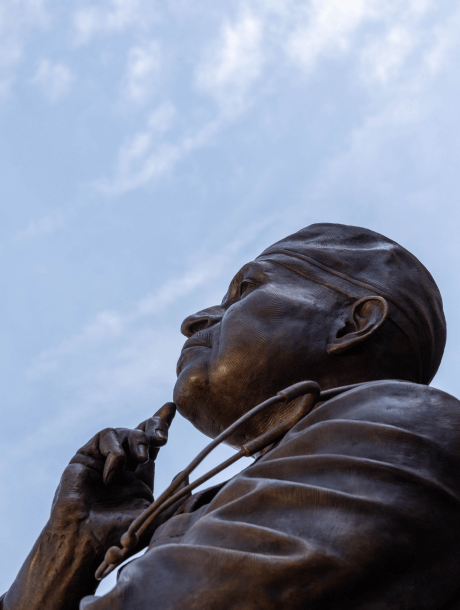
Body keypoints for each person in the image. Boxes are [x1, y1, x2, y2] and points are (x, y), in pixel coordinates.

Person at [2, 223, 460, 610]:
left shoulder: (400, 423)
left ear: (351, 324)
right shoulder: (268, 483)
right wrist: (67, 550)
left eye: (245, 290)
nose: (194, 320)